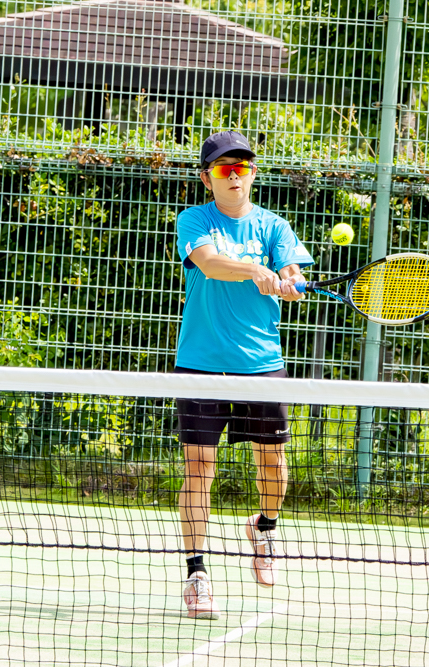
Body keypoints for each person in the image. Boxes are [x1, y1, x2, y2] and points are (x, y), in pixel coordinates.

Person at [174, 130, 314, 621]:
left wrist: (290, 281)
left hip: (261, 363)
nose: (235, 176)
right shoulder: (194, 220)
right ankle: (197, 573)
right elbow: (210, 264)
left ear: (253, 174)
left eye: (243, 168)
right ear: (207, 177)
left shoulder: (275, 226)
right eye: (224, 168)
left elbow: (293, 270)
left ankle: (265, 527)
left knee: (272, 464)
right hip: (201, 362)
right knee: (198, 468)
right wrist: (256, 271)